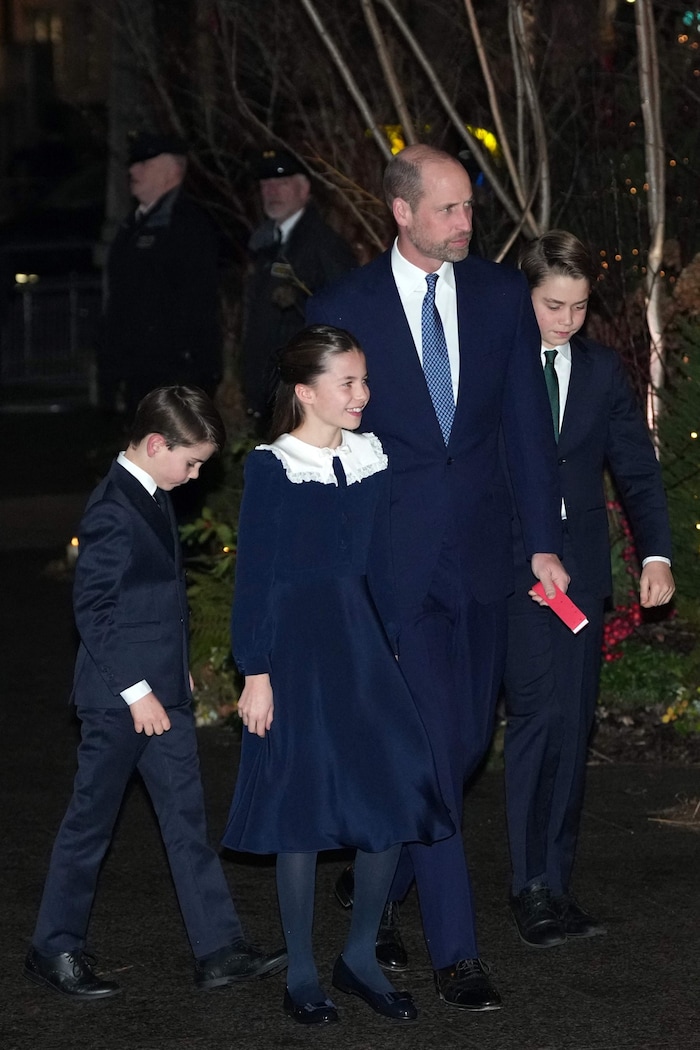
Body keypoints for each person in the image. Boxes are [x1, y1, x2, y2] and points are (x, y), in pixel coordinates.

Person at [306, 144, 568, 1011]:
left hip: (487, 557)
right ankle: (458, 952)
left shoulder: (499, 298)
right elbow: (315, 445)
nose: (467, 223)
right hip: (394, 565)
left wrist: (542, 540)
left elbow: (527, 432)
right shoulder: (344, 308)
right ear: (403, 212)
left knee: (462, 749)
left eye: (469, 207)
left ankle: (382, 872)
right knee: (426, 747)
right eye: (450, 209)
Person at [222, 325, 454, 1026]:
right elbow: (254, 576)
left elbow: (379, 561)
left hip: (361, 645)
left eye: (364, 380)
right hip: (296, 651)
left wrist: (389, 641)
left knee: (390, 796)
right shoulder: (273, 465)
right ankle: (299, 971)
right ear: (306, 393)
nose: (363, 394)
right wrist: (254, 669)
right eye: (348, 383)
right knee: (301, 809)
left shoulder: (370, 455)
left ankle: (357, 956)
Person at [24, 386, 286, 1001]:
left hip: (159, 692)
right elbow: (94, 609)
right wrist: (138, 690)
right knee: (90, 824)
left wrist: (176, 669)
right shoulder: (113, 507)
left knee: (186, 820)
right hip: (121, 700)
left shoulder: (152, 491)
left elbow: (153, 599)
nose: (196, 474)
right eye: (191, 461)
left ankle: (217, 948)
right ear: (152, 444)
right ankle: (53, 946)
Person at [504, 230, 675, 947]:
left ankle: (553, 882)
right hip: (511, 571)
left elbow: (634, 466)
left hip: (580, 574)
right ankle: (526, 884)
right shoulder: (500, 363)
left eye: (577, 307)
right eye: (552, 305)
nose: (565, 321)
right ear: (527, 295)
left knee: (572, 728)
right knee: (535, 721)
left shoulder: (603, 371)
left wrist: (657, 553)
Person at [100, 133, 222, 416]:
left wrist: (196, 368)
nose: (132, 171)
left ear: (172, 171)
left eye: (144, 164)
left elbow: (197, 301)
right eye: (134, 164)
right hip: (137, 369)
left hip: (174, 371)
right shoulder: (133, 225)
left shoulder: (187, 224)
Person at [240, 148, 356, 422]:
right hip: (270, 393)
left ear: (304, 189)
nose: (272, 191)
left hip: (302, 396)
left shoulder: (324, 245)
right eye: (266, 184)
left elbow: (343, 319)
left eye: (282, 183)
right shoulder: (265, 243)